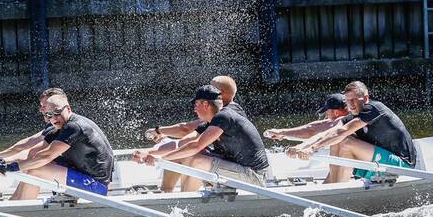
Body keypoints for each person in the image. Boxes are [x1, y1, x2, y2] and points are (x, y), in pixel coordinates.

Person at [0, 90, 114, 201]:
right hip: (82, 173)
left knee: (36, 169)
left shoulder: (74, 127)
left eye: (57, 112)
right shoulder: (59, 127)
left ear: (68, 108)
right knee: (33, 161)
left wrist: (10, 168)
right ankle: (15, 202)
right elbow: (34, 152)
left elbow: (45, 157)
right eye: (49, 115)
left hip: (96, 185)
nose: (54, 118)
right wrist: (2, 161)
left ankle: (23, 210)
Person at [135, 85, 269, 190]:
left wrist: (161, 158)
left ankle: (186, 205)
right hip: (238, 166)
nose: (194, 110)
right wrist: (149, 152)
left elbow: (196, 145)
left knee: (198, 161)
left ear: (205, 104)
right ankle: (168, 194)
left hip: (254, 175)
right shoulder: (211, 122)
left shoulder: (224, 117)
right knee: (182, 154)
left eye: (196, 105)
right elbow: (181, 144)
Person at [286, 81, 416, 184]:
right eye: (348, 101)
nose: (351, 105)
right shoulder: (354, 115)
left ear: (365, 98)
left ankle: (339, 190)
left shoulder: (374, 108)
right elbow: (329, 132)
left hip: (402, 167)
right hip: (379, 166)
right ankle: (330, 185)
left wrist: (312, 149)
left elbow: (343, 131)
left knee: (346, 142)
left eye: (354, 100)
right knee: (336, 140)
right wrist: (300, 147)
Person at [263, 94, 350, 183]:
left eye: (327, 111)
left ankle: (329, 187)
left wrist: (302, 147)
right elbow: (312, 128)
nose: (326, 114)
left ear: (336, 112)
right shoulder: (344, 119)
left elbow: (321, 133)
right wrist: (282, 133)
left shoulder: (344, 122)